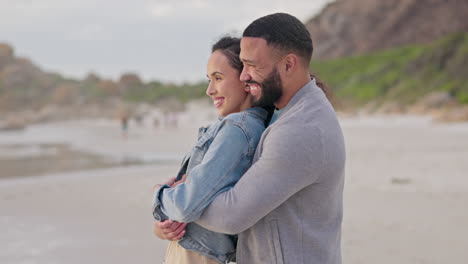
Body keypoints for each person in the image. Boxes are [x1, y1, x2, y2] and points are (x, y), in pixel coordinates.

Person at [155, 13, 346, 264]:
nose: (244, 76)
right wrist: (170, 221)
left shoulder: (301, 129)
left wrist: (176, 198)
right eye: (243, 64)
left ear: (289, 65)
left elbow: (230, 216)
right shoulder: (281, 113)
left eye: (252, 65)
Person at [152, 36, 273, 263]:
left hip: (198, 256)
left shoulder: (237, 129)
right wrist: (163, 225)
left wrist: (159, 194)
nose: (210, 90)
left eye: (218, 78)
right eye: (209, 79)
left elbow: (187, 205)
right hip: (193, 250)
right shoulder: (238, 126)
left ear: (246, 78)